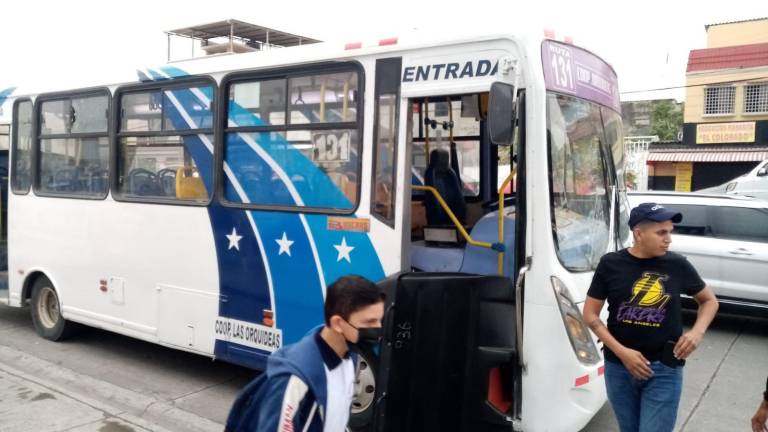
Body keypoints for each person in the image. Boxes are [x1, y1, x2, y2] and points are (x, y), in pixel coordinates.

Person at [582, 202, 719, 432]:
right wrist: (622, 352)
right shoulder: (611, 264)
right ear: (638, 234)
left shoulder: (677, 264)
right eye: (661, 232)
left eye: (670, 232)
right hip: (619, 368)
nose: (669, 239)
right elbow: (590, 314)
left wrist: (697, 332)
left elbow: (709, 301)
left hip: (664, 368)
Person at [226, 275, 385, 432]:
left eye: (380, 320)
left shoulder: (350, 358)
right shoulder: (294, 379)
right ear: (338, 323)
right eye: (369, 322)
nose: (378, 328)